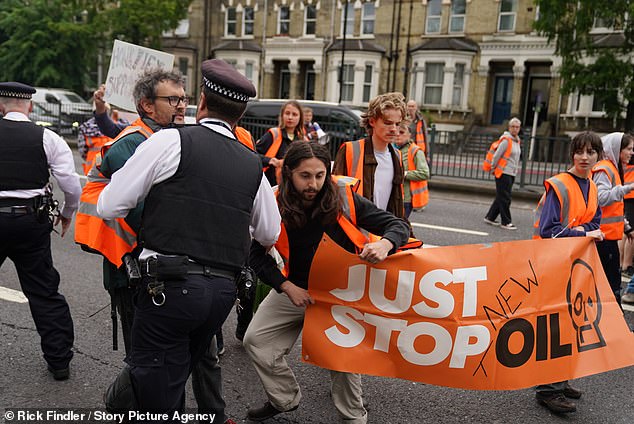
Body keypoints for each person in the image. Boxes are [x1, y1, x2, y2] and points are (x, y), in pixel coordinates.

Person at [97, 59, 281, 418]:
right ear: (241, 114)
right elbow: (269, 233)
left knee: (157, 390)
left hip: (168, 286)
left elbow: (109, 205)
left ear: (201, 101)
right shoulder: (250, 163)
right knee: (177, 371)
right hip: (222, 293)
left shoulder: (170, 140)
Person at [244, 141, 411, 423]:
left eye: (320, 175)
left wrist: (385, 244)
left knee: (342, 360)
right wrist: (286, 287)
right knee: (256, 341)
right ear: (289, 175)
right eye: (305, 176)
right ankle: (284, 399)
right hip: (295, 289)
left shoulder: (343, 198)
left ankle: (353, 419)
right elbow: (255, 255)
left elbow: (399, 225)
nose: (313, 183)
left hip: (339, 294)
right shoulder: (273, 202)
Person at [75, 70, 187, 354]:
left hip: (150, 261)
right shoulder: (133, 142)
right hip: (129, 266)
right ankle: (127, 399)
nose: (182, 106)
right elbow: (140, 210)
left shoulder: (164, 137)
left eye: (184, 99)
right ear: (147, 105)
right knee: (141, 352)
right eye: (173, 99)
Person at [0, 82, 81, 381]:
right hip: (29, 223)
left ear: (1, 106)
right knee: (44, 292)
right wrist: (67, 214)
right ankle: (59, 360)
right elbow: (71, 185)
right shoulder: (48, 138)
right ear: (30, 106)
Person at [532, 131, 604, 413]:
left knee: (570, 322)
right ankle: (547, 389)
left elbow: (594, 221)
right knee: (555, 326)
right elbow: (550, 231)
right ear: (572, 154)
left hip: (574, 261)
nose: (584, 157)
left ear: (599, 155)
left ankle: (558, 381)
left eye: (590, 152)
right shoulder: (560, 185)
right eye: (579, 152)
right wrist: (585, 232)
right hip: (552, 263)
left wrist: (584, 232)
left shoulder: (592, 186)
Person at [333, 92, 406, 218]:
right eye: (388, 123)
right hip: (353, 232)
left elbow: (397, 203)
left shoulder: (397, 156)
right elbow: (334, 196)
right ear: (372, 121)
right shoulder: (350, 150)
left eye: (397, 124)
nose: (394, 129)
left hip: (383, 233)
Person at [592, 132, 634, 305]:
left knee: (609, 286)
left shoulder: (612, 168)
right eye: (629, 149)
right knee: (610, 288)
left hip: (608, 238)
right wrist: (629, 188)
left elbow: (613, 208)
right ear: (617, 149)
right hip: (603, 239)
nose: (632, 153)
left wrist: (626, 227)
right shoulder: (605, 168)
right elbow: (601, 198)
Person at [483, 117, 522, 230]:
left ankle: (490, 217)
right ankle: (506, 221)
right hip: (503, 172)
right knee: (505, 198)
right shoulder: (506, 140)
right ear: (509, 128)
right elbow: (496, 156)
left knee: (501, 196)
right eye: (513, 127)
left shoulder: (517, 140)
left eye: (517, 127)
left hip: (511, 173)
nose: (515, 129)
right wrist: (493, 168)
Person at [256, 100, 305, 186]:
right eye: (287, 113)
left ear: (300, 118)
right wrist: (270, 160)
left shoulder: (303, 139)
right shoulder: (273, 134)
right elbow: (254, 154)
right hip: (270, 185)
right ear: (282, 115)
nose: (290, 117)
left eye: (294, 114)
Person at [394, 122, 429, 218]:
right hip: (392, 197)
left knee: (398, 226)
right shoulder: (391, 149)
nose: (397, 134)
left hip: (405, 199)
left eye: (401, 132)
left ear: (409, 135)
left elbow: (424, 173)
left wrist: (404, 174)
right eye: (396, 132)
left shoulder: (415, 151)